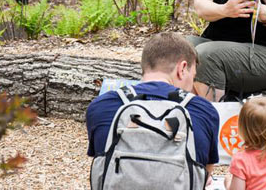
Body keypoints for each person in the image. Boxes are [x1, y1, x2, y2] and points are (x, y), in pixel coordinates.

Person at [86, 32, 220, 182]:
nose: (191, 84)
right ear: (182, 68)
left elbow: (100, 165)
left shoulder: (101, 107)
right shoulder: (204, 111)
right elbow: (204, 177)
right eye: (193, 76)